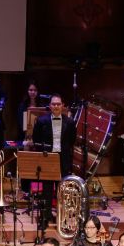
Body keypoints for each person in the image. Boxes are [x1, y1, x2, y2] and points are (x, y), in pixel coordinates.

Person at [29, 95, 75, 233]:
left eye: (58, 104)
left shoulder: (70, 122)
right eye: (53, 104)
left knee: (63, 190)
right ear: (50, 106)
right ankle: (45, 218)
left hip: (63, 159)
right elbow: (36, 140)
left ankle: (63, 218)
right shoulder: (41, 121)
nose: (56, 106)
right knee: (47, 190)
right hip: (48, 158)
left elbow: (71, 141)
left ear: (62, 106)